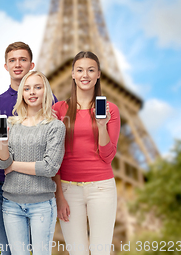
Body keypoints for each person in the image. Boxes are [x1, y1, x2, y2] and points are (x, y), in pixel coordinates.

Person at [0, 42, 58, 255]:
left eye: (23, 59)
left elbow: (54, 152)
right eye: (12, 60)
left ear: (32, 64)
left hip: (39, 188)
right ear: (5, 66)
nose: (17, 64)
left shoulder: (51, 104)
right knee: (8, 251)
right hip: (3, 188)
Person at [52, 51, 120, 255]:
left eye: (91, 70)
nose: (85, 75)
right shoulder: (59, 109)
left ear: (98, 74)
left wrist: (101, 126)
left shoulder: (111, 110)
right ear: (72, 74)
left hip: (101, 188)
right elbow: (55, 156)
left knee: (101, 251)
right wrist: (59, 195)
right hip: (69, 190)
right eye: (80, 70)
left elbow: (108, 156)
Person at [0, 70, 65, 255]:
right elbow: (3, 164)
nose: (32, 92)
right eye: (27, 88)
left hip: (41, 204)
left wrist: (14, 165)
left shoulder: (55, 126)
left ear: (46, 91)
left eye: (37, 87)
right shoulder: (11, 124)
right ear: (22, 94)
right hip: (11, 203)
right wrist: (3, 143)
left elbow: (50, 167)